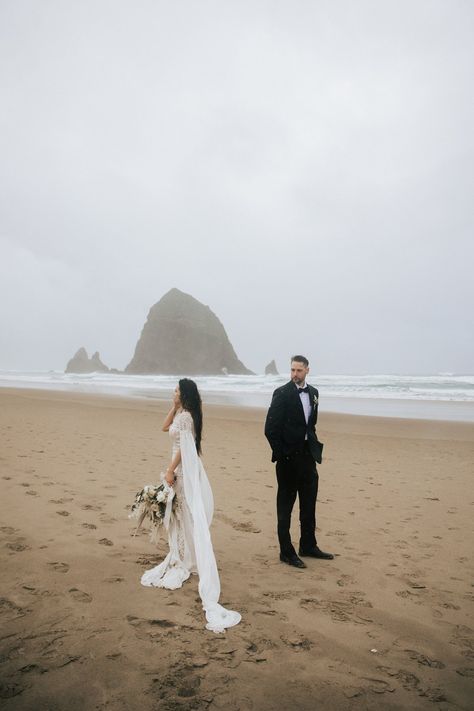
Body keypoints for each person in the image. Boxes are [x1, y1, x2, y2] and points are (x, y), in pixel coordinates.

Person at [140, 378, 241, 633]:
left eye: (176, 390)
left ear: (184, 393)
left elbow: (185, 449)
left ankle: (187, 559)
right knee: (180, 514)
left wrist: (171, 471)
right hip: (181, 466)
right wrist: (174, 406)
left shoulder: (187, 419)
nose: (172, 392)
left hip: (183, 469)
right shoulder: (183, 414)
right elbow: (164, 428)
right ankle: (186, 556)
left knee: (184, 513)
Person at [264, 355, 334, 569]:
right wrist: (282, 454)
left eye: (299, 371)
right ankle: (286, 552)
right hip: (287, 459)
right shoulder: (282, 393)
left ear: (307, 371)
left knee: (309, 502)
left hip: (307, 457)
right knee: (285, 507)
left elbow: (310, 425)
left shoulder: (314, 393)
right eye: (292, 370)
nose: (295, 374)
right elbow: (270, 429)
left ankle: (308, 545)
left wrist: (312, 448)